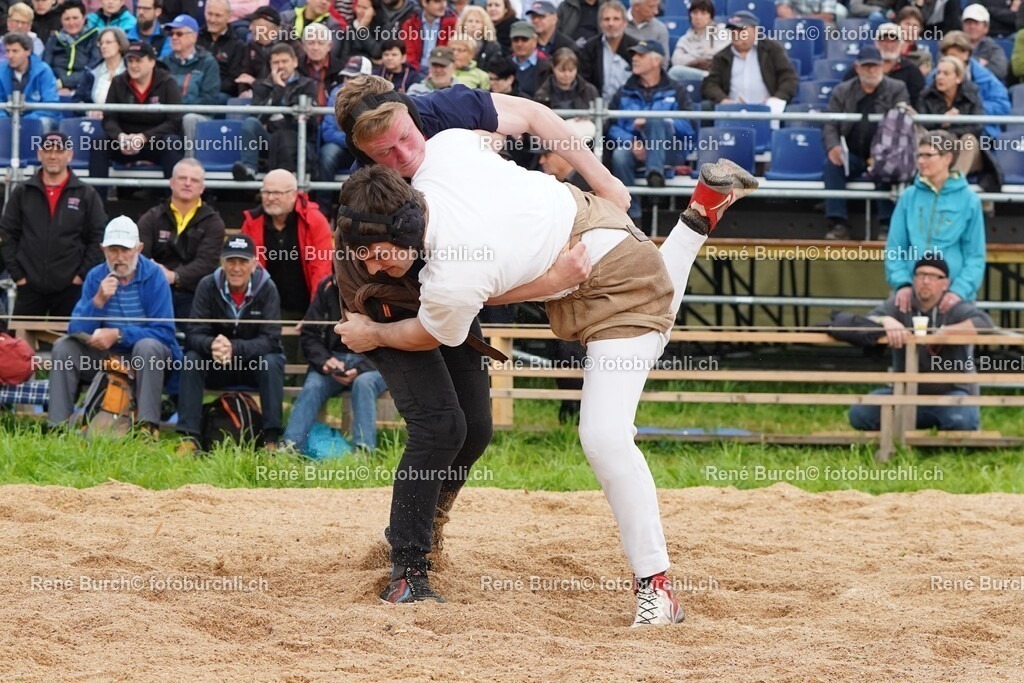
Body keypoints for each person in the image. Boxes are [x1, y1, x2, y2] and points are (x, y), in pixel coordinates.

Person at [333, 74, 756, 622]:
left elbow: (453, 309)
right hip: (586, 232)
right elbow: (474, 273)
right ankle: (698, 216)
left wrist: (376, 335)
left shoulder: (447, 143)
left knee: (603, 435)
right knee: (451, 425)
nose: (402, 154)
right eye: (384, 152)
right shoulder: (450, 148)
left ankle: (657, 587)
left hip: (604, 271)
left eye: (404, 138)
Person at [47, 216, 181, 437]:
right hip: (106, 358)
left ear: (139, 248)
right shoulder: (96, 277)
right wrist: (97, 301)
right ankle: (57, 428)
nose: (119, 257)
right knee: (64, 347)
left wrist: (119, 335)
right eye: (112, 250)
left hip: (147, 360)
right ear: (103, 249)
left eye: (125, 250)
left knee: (148, 347)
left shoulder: (155, 276)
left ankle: (147, 430)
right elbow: (75, 329)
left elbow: (164, 333)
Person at [848, 255, 994, 431]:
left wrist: (946, 332)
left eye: (933, 277)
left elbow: (985, 323)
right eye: (920, 275)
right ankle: (911, 422)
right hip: (904, 391)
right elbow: (863, 320)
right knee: (860, 413)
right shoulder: (900, 304)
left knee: (962, 419)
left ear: (945, 283)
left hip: (948, 393)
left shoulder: (954, 306)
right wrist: (885, 320)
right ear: (913, 279)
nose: (926, 281)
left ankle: (919, 424)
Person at [175, 234, 286, 453]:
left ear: (254, 264)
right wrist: (212, 345)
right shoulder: (207, 285)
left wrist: (234, 348)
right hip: (217, 363)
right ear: (222, 262)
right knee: (191, 359)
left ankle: (270, 439)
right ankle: (190, 438)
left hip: (251, 367)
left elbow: (271, 338)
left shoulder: (268, 288)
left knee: (272, 361)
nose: (236, 268)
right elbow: (194, 333)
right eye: (231, 261)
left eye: (243, 262)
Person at [0, 132, 106, 320]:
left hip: (71, 289)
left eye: (59, 151)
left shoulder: (86, 194)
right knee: (20, 347)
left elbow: (97, 237)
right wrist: (18, 276)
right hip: (29, 287)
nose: (53, 156)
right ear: (40, 154)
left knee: (72, 345)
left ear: (70, 155)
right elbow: (7, 234)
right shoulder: (22, 192)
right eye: (48, 151)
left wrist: (81, 276)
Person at [282, 274, 389, 454]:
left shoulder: (378, 288)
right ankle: (290, 446)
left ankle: (363, 450)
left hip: (373, 362)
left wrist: (360, 368)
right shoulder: (326, 287)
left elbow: (388, 338)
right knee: (313, 385)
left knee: (364, 384)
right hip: (333, 359)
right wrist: (325, 362)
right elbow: (309, 333)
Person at [885, 130, 985, 308]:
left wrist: (959, 291)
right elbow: (895, 248)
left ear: (947, 158)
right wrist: (902, 284)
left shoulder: (969, 200)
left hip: (954, 298)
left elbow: (975, 255)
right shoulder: (908, 197)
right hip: (909, 295)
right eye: (919, 155)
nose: (921, 161)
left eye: (928, 155)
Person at [821, 45, 909, 241]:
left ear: (883, 67)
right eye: (867, 66)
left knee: (887, 165)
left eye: (875, 66)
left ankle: (887, 226)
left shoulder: (897, 89)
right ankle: (838, 224)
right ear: (857, 67)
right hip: (851, 152)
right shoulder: (842, 91)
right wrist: (833, 147)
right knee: (832, 166)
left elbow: (901, 126)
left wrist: (882, 154)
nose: (871, 70)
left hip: (884, 152)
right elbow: (830, 124)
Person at [607, 39, 694, 222]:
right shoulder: (624, 91)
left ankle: (655, 172)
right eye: (634, 55)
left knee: (655, 119)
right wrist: (631, 142)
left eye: (641, 55)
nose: (635, 59)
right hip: (636, 149)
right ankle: (632, 216)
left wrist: (662, 124)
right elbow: (611, 127)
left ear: (656, 61)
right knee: (620, 155)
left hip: (670, 150)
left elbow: (690, 128)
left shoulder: (677, 91)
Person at [137, 159, 226, 323]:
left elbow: (207, 263)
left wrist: (174, 276)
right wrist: (159, 276)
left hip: (195, 294)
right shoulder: (151, 218)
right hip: (154, 289)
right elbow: (140, 256)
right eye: (182, 178)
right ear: (171, 182)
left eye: (194, 180)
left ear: (202, 188)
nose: (187, 183)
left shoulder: (213, 222)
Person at [87, 41, 184, 187]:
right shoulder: (118, 82)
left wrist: (144, 137)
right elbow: (109, 118)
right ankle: (97, 205)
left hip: (155, 143)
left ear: (152, 62)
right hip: (123, 144)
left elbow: (174, 121)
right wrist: (120, 137)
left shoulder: (168, 82)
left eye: (138, 60)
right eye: (130, 61)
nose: (133, 65)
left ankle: (172, 204)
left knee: (172, 143)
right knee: (99, 142)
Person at [239, 169, 334, 319]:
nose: (270, 198)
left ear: (293, 195)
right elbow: (248, 271)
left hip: (308, 306)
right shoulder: (251, 223)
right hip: (265, 309)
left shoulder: (315, 220)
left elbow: (321, 271)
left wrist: (315, 314)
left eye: (277, 193)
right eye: (266, 192)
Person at [232, 42, 317, 179]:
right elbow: (258, 118)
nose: (281, 66)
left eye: (285, 61)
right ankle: (249, 169)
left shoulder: (307, 84)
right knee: (249, 123)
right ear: (270, 66)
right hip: (269, 140)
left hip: (297, 141)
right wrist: (278, 90)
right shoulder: (262, 86)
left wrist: (275, 120)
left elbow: (309, 121)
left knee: (284, 135)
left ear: (295, 62)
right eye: (276, 62)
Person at [701, 10, 798, 107]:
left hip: (768, 110)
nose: (736, 33)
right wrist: (724, 100)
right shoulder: (721, 57)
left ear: (756, 31)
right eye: (733, 29)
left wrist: (777, 99)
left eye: (741, 29)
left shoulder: (772, 50)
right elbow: (710, 84)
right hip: (733, 110)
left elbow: (789, 78)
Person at [936, 30, 1009, 142]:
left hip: (980, 134)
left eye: (953, 56)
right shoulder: (934, 78)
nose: (948, 60)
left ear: (966, 54)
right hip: (942, 135)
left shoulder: (986, 78)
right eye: (945, 56)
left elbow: (1003, 107)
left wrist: (968, 110)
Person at [165, 14, 223, 149]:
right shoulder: (163, 63)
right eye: (171, 34)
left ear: (193, 36)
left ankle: (189, 164)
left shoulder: (208, 63)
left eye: (179, 33)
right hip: (169, 116)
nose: (174, 37)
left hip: (199, 117)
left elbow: (209, 99)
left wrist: (179, 109)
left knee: (189, 119)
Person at [840, 22, 924, 109]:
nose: (888, 45)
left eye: (893, 41)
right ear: (875, 43)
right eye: (883, 41)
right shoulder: (858, 70)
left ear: (901, 44)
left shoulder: (913, 72)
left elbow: (917, 105)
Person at [0, 32, 61, 132]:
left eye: (15, 51)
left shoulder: (43, 70)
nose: (10, 55)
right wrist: (6, 120)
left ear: (28, 51)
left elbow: (51, 105)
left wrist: (24, 121)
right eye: (7, 51)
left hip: (37, 119)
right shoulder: (1, 71)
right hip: (8, 119)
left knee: (44, 123)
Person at [578, 1, 637, 102]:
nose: (611, 23)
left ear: (625, 23)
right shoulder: (590, 47)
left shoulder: (635, 47)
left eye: (616, 19)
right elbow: (584, 81)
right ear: (600, 23)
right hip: (596, 108)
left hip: (627, 108)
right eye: (606, 19)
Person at [43, 0, 100, 95]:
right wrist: (55, 84)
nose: (71, 23)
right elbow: (46, 66)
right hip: (55, 88)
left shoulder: (93, 38)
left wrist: (64, 82)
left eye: (75, 18)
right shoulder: (54, 39)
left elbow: (93, 69)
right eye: (67, 19)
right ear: (61, 20)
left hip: (84, 90)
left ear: (84, 18)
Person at [199, 0, 248, 101]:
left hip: (220, 93)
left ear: (229, 17)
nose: (212, 19)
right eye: (209, 14)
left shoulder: (238, 45)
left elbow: (233, 81)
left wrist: (209, 88)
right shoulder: (196, 38)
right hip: (195, 89)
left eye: (218, 15)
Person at [73, 26, 128, 115]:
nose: (103, 46)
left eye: (108, 42)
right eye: (101, 43)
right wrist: (90, 112)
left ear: (120, 45)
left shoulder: (130, 71)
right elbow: (76, 100)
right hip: (94, 122)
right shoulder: (91, 71)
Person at [668, 0, 726, 83]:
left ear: (710, 16)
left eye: (703, 13)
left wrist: (692, 57)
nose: (698, 17)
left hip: (718, 73)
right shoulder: (685, 39)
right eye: (695, 13)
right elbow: (676, 61)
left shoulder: (721, 31)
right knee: (674, 72)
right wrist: (698, 59)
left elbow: (725, 54)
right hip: (697, 74)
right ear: (690, 15)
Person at [401, 0, 458, 72]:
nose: (443, 5)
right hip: (415, 71)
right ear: (424, 2)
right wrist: (414, 71)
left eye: (445, 1)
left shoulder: (453, 24)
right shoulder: (410, 24)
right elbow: (410, 54)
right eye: (438, 1)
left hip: (442, 69)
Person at [959, 4, 1008, 81]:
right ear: (963, 26)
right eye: (968, 23)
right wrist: (980, 62)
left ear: (986, 27)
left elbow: (1000, 71)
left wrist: (965, 62)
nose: (972, 27)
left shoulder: (993, 48)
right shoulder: (953, 44)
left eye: (976, 23)